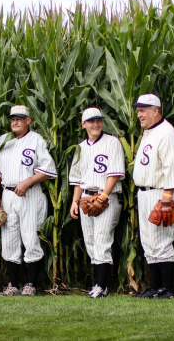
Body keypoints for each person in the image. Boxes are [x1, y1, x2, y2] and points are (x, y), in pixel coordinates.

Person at [0, 105, 57, 296]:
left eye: (19, 118)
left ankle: (31, 285)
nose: (15, 122)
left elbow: (48, 168)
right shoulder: (3, 140)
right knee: (9, 239)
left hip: (30, 194)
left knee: (31, 238)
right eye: (12, 119)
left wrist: (28, 182)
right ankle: (12, 285)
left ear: (28, 120)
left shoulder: (36, 140)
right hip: (7, 194)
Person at [130, 94, 174, 300]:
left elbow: (173, 166)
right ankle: (155, 287)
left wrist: (167, 198)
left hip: (162, 191)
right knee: (149, 242)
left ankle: (169, 288)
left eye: (142, 110)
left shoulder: (167, 133)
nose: (139, 114)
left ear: (155, 110)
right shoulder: (149, 132)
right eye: (138, 110)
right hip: (145, 192)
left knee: (162, 241)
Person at [69, 107, 126, 298]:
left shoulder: (112, 142)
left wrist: (103, 196)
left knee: (102, 240)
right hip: (86, 197)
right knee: (91, 241)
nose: (96, 124)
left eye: (99, 120)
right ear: (83, 124)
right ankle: (97, 285)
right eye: (91, 121)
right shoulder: (80, 147)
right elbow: (77, 179)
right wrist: (74, 202)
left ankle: (102, 287)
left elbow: (115, 173)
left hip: (106, 198)